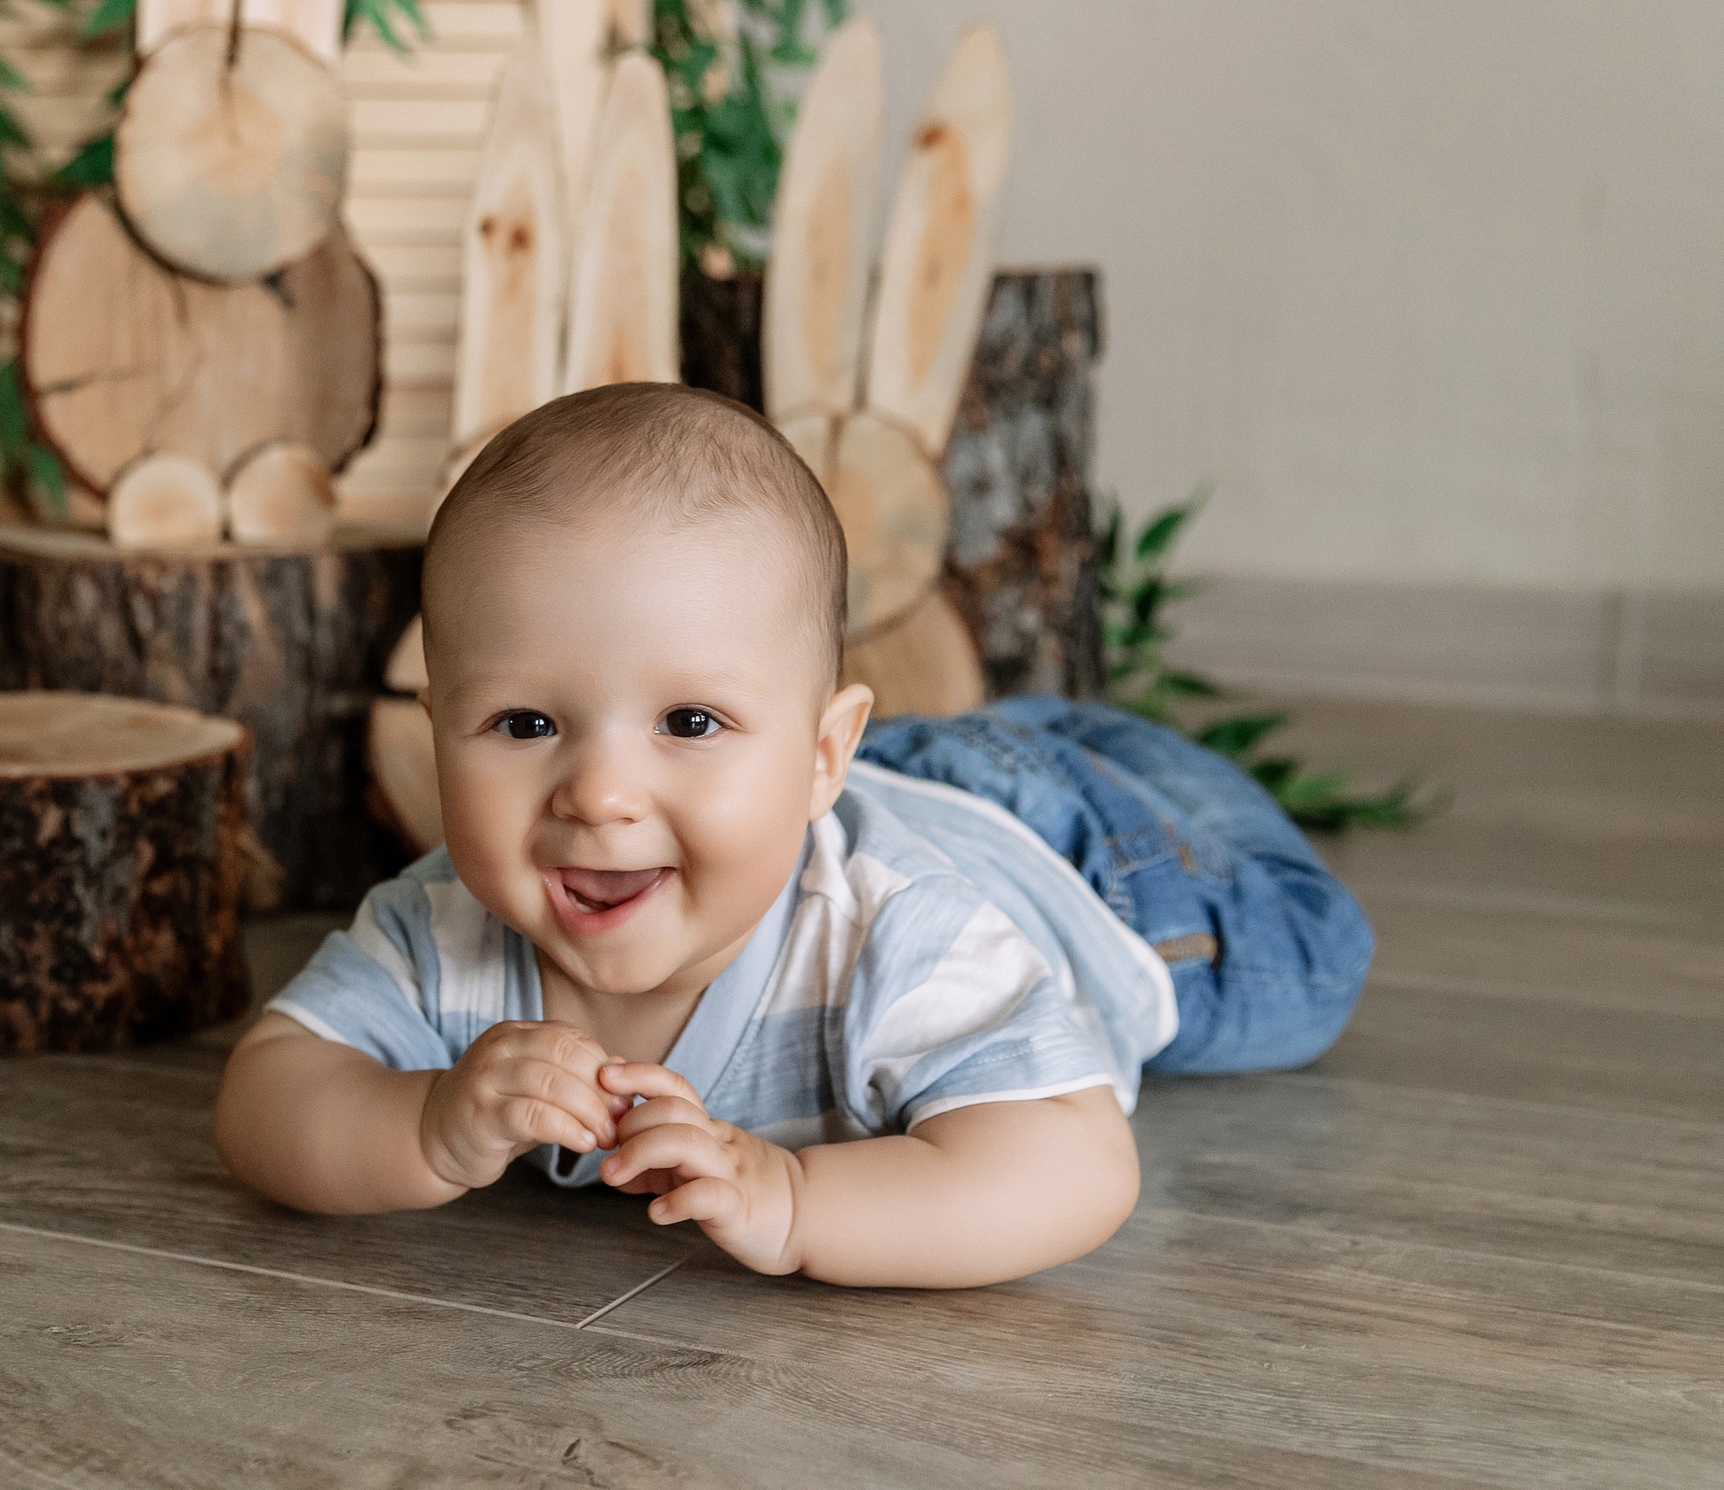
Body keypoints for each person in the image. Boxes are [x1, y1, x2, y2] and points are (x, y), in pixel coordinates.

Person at [211, 384, 1372, 1288]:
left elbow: (1072, 1168)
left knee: (1299, 971)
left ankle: (1093, 755)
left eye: (687, 720)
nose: (600, 795)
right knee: (925, 759)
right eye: (524, 722)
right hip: (845, 785)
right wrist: (419, 1123)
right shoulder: (439, 931)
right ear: (436, 734)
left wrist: (797, 1202)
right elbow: (268, 1096)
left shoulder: (896, 937)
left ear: (823, 755)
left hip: (1076, 864)